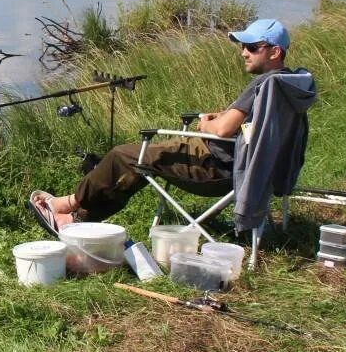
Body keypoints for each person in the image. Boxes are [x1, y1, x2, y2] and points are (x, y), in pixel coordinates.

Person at [29, 18, 294, 233]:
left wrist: (206, 124)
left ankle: (67, 205)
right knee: (141, 161)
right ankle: (79, 219)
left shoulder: (265, 84)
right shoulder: (291, 85)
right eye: (242, 46)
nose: (244, 52)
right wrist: (224, 118)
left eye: (252, 47)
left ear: (275, 52)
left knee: (124, 155)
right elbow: (252, 126)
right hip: (250, 169)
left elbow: (224, 130)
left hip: (216, 169)